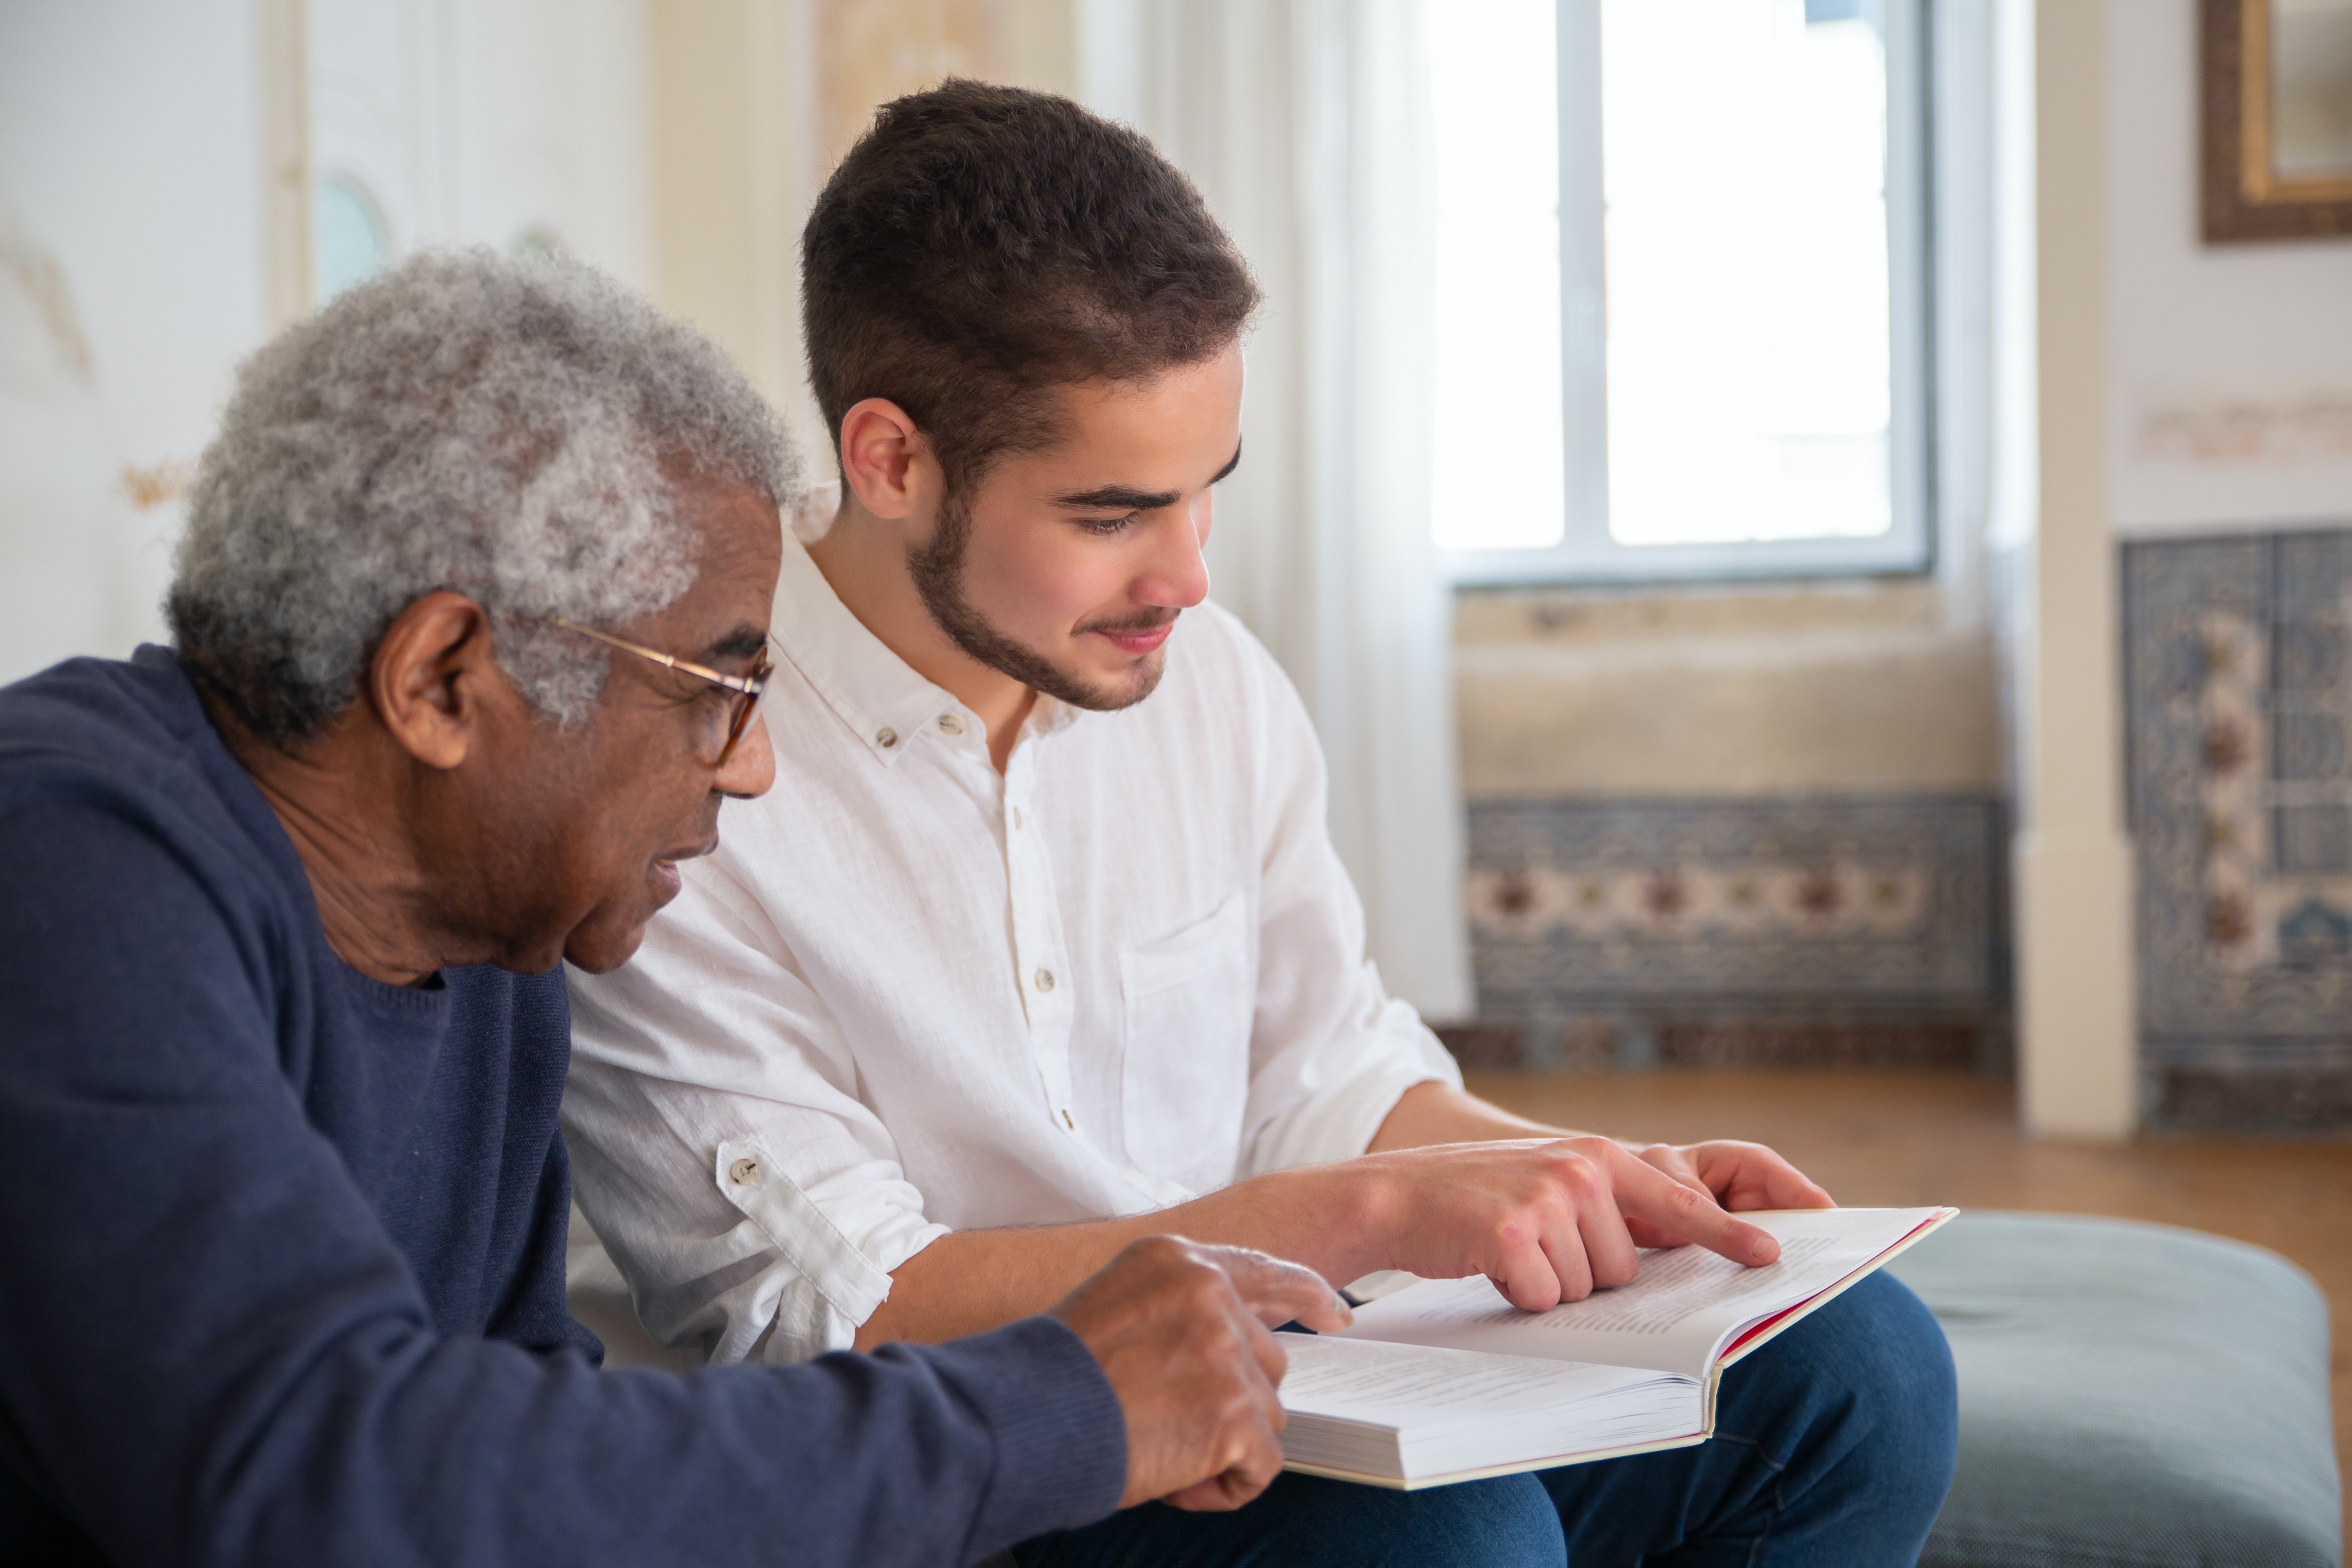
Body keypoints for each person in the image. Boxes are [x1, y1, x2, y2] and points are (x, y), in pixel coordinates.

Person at [564, 81, 1960, 1567]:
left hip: (1292, 1369)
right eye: (1112, 514)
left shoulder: (1201, 681)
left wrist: (1595, 1179)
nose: (1188, 579)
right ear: (892, 460)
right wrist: (1364, 1213)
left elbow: (1332, 1072)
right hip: (970, 1453)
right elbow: (832, 1307)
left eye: (1203, 492)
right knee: (1456, 1547)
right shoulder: (680, 762)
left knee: (1859, 1377)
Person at [0, 248, 1375, 1568]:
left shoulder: (492, 940)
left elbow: (533, 1440)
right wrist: (1058, 1401)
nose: (757, 761)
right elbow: (327, 1474)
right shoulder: (68, 858)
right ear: (438, 680)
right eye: (715, 687)